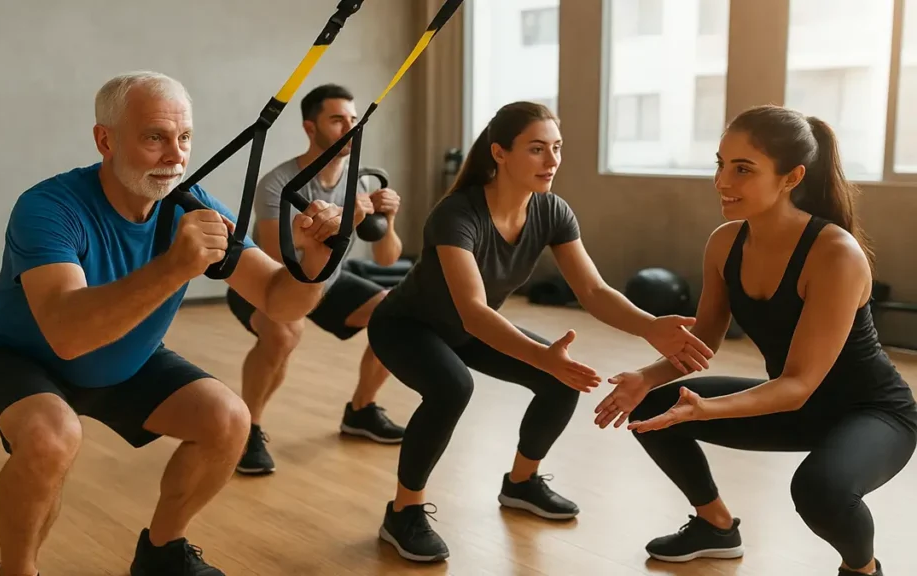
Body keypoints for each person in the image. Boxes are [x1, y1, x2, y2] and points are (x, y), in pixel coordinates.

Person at [0, 71, 345, 576]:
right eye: (155, 137)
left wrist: (314, 262)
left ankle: (162, 552)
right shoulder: (48, 207)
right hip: (17, 353)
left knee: (228, 421)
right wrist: (174, 266)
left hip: (122, 352)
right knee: (51, 437)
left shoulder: (193, 205)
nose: (175, 156)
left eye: (184, 138)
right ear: (105, 139)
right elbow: (68, 336)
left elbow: (279, 300)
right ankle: (18, 570)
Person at [365, 101, 716, 563]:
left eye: (556, 148)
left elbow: (591, 288)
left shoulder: (551, 212)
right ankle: (403, 512)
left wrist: (649, 327)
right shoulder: (457, 214)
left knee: (559, 377)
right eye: (536, 149)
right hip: (406, 326)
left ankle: (521, 483)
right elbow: (472, 311)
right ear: (500, 153)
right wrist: (540, 355)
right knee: (451, 387)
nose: (551, 161)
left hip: (471, 327)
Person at [593, 104, 917, 576]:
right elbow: (703, 340)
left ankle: (862, 570)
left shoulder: (835, 254)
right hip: (792, 407)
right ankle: (716, 527)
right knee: (652, 410)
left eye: (743, 169)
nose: (723, 181)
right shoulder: (725, 243)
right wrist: (645, 377)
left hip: (872, 414)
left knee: (819, 489)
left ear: (791, 178)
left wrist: (709, 409)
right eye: (720, 164)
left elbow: (800, 382)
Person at [225, 83, 406, 475]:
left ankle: (360, 411)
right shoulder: (278, 182)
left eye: (354, 119)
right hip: (269, 282)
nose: (350, 127)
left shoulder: (358, 181)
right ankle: (248, 430)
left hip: (328, 281)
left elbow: (387, 257)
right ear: (311, 127)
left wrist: (387, 222)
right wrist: (345, 218)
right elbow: (276, 254)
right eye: (338, 119)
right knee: (285, 334)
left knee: (397, 316)